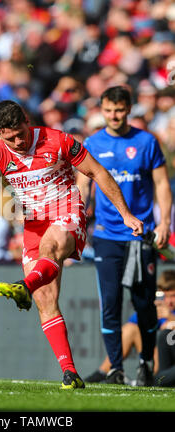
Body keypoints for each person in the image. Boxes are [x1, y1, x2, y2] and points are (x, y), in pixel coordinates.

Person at [0, 100, 143, 390]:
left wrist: (126, 214)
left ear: (27, 120)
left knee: (52, 248)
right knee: (46, 301)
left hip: (66, 210)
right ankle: (70, 373)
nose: (19, 141)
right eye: (11, 138)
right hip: (33, 223)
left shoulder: (58, 140)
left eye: (22, 132)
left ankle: (25, 285)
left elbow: (97, 172)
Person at [76, 86, 173, 386]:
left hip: (139, 235)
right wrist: (79, 222)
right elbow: (83, 187)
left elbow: (161, 184)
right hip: (106, 235)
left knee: (143, 303)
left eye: (119, 110)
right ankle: (115, 368)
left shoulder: (146, 142)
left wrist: (164, 222)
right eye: (108, 110)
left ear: (128, 109)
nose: (113, 116)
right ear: (101, 110)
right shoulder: (93, 143)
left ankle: (145, 363)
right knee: (110, 302)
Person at [85, 269, 175, 384]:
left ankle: (141, 380)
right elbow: (132, 324)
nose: (169, 301)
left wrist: (171, 319)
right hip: (157, 359)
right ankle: (103, 372)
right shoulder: (158, 308)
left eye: (173, 296)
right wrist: (149, 314)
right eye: (164, 296)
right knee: (130, 330)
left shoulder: (169, 313)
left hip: (169, 361)